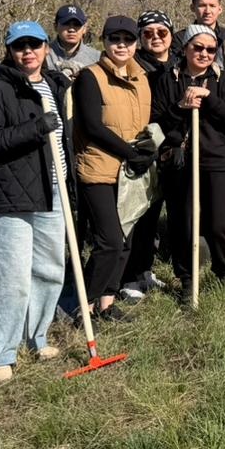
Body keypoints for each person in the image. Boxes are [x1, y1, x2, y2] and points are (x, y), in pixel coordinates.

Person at [0, 21, 73, 382]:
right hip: (10, 194)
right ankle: (1, 351)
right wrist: (35, 128)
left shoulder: (56, 85)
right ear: (9, 50)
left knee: (49, 269)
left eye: (34, 44)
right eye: (19, 46)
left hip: (53, 189)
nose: (28, 52)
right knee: (6, 276)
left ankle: (36, 336)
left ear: (46, 47)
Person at [152, 24, 225, 301]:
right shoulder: (169, 79)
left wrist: (209, 98)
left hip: (218, 158)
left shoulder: (221, 79)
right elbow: (157, 120)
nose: (204, 54)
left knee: (220, 223)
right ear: (186, 48)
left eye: (211, 50)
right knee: (184, 222)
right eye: (198, 47)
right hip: (181, 161)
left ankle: (223, 269)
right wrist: (181, 106)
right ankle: (187, 278)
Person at [73, 16, 154, 323]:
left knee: (125, 240)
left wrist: (148, 149)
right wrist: (130, 153)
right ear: (104, 41)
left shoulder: (141, 78)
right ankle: (84, 306)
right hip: (99, 169)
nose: (121, 45)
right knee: (108, 240)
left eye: (128, 40)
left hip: (129, 172)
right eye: (114, 39)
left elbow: (143, 122)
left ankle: (106, 304)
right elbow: (93, 126)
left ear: (136, 43)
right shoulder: (90, 77)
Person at [119, 9, 177, 299]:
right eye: (148, 33)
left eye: (162, 32)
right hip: (143, 148)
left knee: (154, 216)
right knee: (137, 214)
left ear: (171, 35)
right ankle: (128, 277)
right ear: (140, 38)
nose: (156, 37)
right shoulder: (133, 66)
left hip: (172, 149)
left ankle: (145, 270)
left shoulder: (178, 64)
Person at [174, 0, 225, 66]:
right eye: (202, 6)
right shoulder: (180, 38)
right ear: (192, 8)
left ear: (220, 9)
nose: (207, 11)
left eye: (212, 6)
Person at [44, 4, 100, 79]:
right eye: (66, 23)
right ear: (55, 26)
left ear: (84, 29)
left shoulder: (97, 58)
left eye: (77, 24)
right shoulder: (43, 55)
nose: (71, 29)